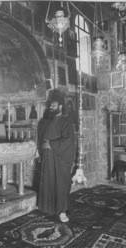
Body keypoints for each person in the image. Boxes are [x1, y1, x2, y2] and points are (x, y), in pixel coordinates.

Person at [37, 90, 76, 223]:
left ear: (60, 106)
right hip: (47, 158)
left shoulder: (66, 122)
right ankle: (49, 208)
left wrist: (51, 144)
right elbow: (40, 138)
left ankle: (62, 211)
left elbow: (68, 140)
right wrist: (39, 153)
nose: (50, 107)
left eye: (53, 105)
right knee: (47, 183)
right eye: (50, 105)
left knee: (60, 185)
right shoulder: (45, 122)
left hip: (60, 159)